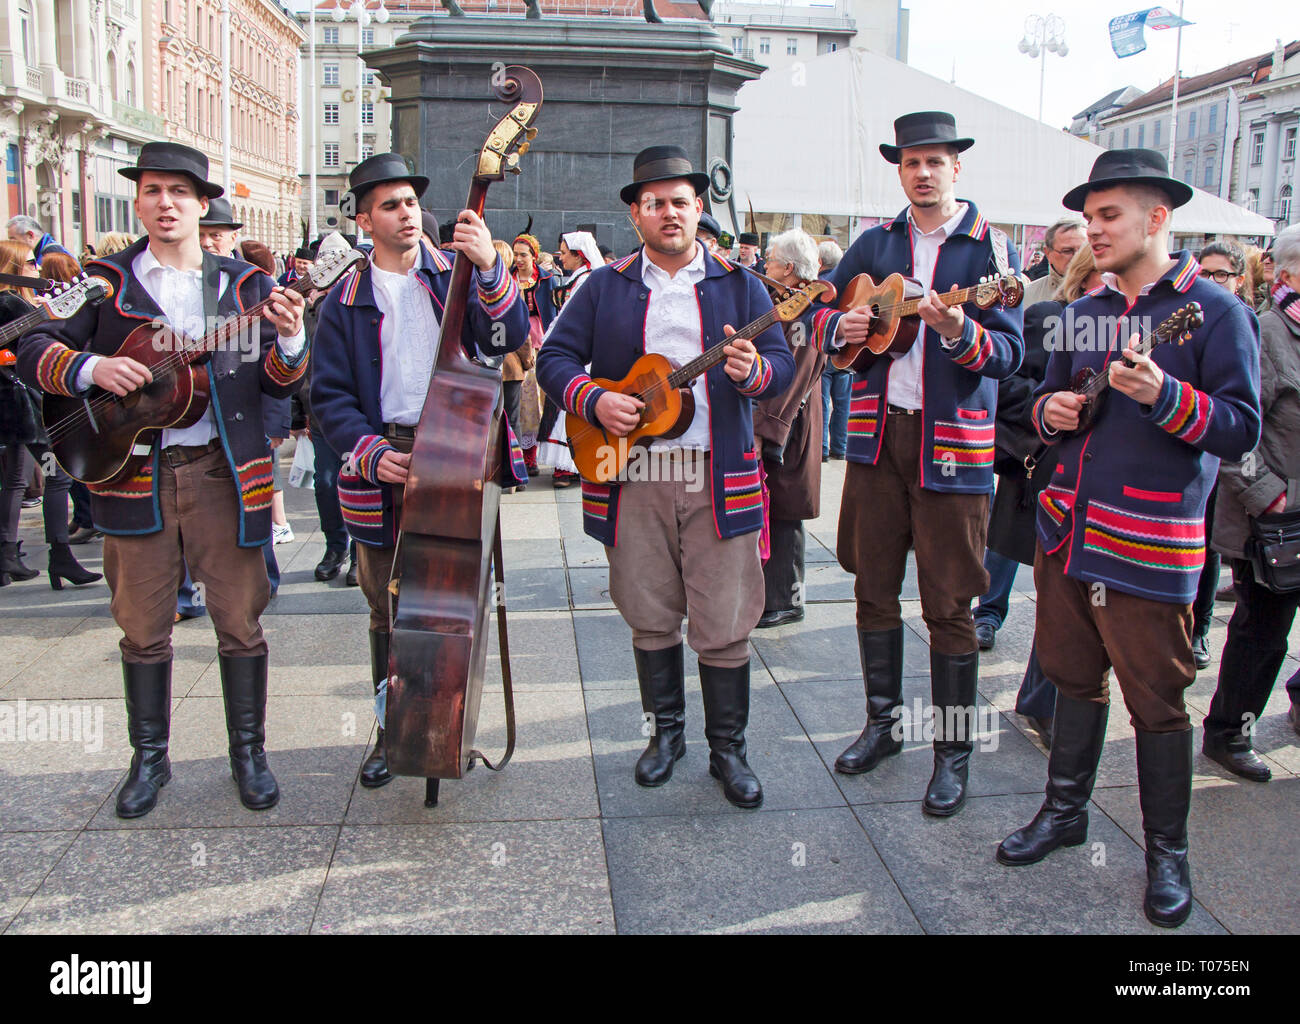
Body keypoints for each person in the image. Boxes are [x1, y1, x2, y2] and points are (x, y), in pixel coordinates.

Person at [996, 149, 1261, 929]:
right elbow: (1042, 400)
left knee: (1159, 704)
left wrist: (1168, 396)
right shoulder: (1087, 309)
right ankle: (1065, 811)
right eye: (1088, 217)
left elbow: (1239, 430)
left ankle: (1167, 854)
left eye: (1108, 215)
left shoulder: (1214, 312)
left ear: (1157, 219)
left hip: (1147, 539)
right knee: (1072, 680)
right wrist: (1051, 415)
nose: (1093, 230)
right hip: (1066, 534)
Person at [15, 141, 309, 818]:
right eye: (152, 190)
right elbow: (31, 341)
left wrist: (291, 342)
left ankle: (249, 754)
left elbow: (272, 380)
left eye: (179, 192)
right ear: (141, 201)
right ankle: (149, 761)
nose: (165, 203)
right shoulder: (103, 281)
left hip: (223, 475)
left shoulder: (244, 288)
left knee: (240, 621)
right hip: (131, 476)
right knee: (142, 626)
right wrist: (91, 370)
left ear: (202, 205)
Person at [537, 145, 795, 808]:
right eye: (654, 203)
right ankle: (666, 737)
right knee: (649, 614)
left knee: (726, 618)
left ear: (699, 208)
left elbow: (780, 366)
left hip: (718, 476)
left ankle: (728, 750)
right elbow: (555, 358)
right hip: (635, 478)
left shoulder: (741, 284)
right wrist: (594, 400)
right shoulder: (605, 286)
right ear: (636, 213)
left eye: (680, 201)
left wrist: (751, 373)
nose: (669, 213)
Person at [809, 112, 1024, 817]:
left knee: (950, 605)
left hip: (954, 448)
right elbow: (825, 314)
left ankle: (953, 753)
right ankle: (882, 726)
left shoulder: (990, 250)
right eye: (911, 162)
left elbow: (1011, 357)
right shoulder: (875, 241)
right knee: (873, 588)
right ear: (898, 170)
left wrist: (962, 333)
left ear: (956, 167)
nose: (923, 172)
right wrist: (836, 327)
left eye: (935, 161)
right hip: (875, 441)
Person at [310, 152, 528, 789]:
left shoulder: (452, 273)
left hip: (455, 451)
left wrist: (490, 267)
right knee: (387, 608)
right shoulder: (344, 299)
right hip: (384, 460)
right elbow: (327, 398)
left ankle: (447, 720)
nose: (407, 214)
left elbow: (506, 338)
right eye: (390, 205)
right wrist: (372, 454)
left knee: (455, 600)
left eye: (411, 202)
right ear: (363, 219)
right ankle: (390, 729)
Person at [1201, 224, 1300, 782]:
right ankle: (1229, 732)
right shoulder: (1263, 331)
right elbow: (1235, 429)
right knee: (1263, 629)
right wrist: (1269, 495)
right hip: (1277, 516)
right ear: (1285, 273)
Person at [0, 243, 101, 589]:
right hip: (21, 407)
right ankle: (59, 554)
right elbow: (27, 355)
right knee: (56, 475)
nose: (34, 267)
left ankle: (7, 554)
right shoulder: (11, 303)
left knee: (15, 479)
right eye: (29, 261)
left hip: (13, 409)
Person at [754, 229, 826, 628]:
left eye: (771, 261)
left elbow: (796, 371)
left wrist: (768, 430)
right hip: (778, 416)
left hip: (789, 418)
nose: (766, 266)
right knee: (775, 506)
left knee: (784, 508)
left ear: (789, 268)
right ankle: (770, 596)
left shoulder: (806, 306)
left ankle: (786, 599)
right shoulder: (786, 301)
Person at [535, 231, 602, 489]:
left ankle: (568, 466)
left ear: (579, 255)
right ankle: (569, 466)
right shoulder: (580, 278)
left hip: (580, 354)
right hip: (572, 351)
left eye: (564, 253)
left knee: (571, 405)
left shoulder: (586, 280)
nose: (560, 258)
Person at [511, 232, 556, 477]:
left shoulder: (548, 279)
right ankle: (528, 456)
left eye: (523, 254)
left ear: (534, 256)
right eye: (515, 254)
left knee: (544, 399)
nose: (518, 259)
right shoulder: (507, 278)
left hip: (543, 342)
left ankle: (544, 450)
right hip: (518, 344)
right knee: (525, 404)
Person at [495, 239, 534, 493]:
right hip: (509, 367)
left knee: (495, 420)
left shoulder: (473, 282)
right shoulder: (511, 286)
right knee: (512, 419)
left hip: (486, 367)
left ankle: (499, 473)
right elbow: (521, 331)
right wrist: (527, 360)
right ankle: (516, 475)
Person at [1022, 215, 1086, 307]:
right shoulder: (1027, 297)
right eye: (1067, 251)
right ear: (1048, 253)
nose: (1077, 257)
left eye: (1083, 250)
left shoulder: (1108, 291)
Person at [6, 215, 72, 263]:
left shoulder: (53, 255)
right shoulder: (44, 251)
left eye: (13, 240)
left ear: (30, 236)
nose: (11, 244)